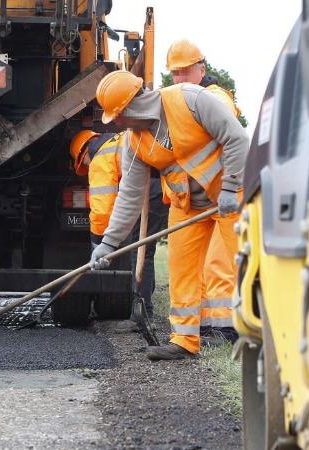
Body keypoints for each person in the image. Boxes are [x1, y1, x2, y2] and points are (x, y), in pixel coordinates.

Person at [90, 69, 248, 361]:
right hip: (187, 206)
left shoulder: (191, 99)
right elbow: (129, 196)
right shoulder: (134, 143)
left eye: (118, 117)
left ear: (131, 107)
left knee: (247, 263)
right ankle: (185, 341)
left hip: (230, 198)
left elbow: (237, 138)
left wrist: (231, 187)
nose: (117, 124)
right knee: (181, 270)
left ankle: (268, 334)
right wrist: (108, 244)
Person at [167, 39, 240, 343]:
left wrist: (228, 188)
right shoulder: (175, 101)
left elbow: (230, 141)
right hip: (196, 199)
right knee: (192, 265)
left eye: (185, 71)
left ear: (202, 68)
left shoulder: (214, 98)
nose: (180, 79)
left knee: (220, 264)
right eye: (175, 74)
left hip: (227, 193)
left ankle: (234, 327)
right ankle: (206, 326)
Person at [69, 130, 168, 332]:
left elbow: (103, 207)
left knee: (141, 251)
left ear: (84, 153)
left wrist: (98, 243)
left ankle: (142, 315)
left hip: (152, 186)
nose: (87, 166)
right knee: (143, 250)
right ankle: (143, 311)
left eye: (84, 164)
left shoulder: (100, 156)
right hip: (160, 182)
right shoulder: (115, 142)